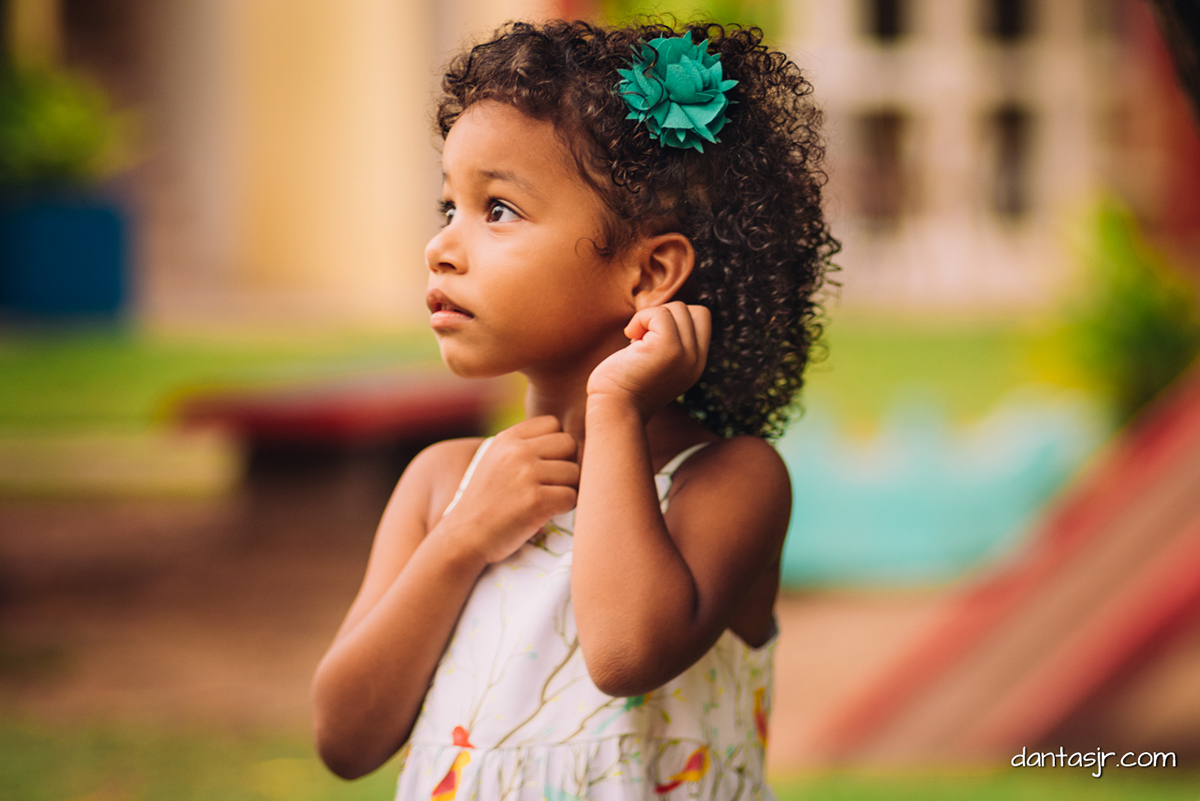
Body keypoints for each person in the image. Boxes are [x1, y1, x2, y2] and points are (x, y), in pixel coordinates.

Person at [311, 18, 838, 800]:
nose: (441, 246)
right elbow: (344, 738)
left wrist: (616, 405)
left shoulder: (730, 481)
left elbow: (624, 653)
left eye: (498, 209)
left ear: (648, 272)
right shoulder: (443, 485)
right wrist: (461, 539)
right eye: (448, 206)